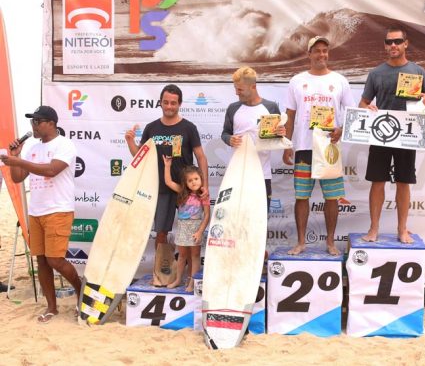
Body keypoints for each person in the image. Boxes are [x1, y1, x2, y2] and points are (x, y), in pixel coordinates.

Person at [0, 106, 82, 323]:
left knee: (55, 259)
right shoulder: (32, 147)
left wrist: (19, 161)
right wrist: (15, 157)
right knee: (42, 262)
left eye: (37, 121)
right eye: (32, 122)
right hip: (36, 211)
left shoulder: (64, 144)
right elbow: (18, 178)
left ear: (51, 123)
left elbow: (51, 170)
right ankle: (52, 307)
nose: (33, 126)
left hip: (58, 209)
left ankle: (81, 292)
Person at [359, 26, 425, 244]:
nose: (393, 45)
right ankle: (373, 229)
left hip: (408, 134)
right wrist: (367, 108)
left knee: (404, 182)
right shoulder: (375, 73)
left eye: (397, 41)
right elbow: (363, 103)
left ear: (405, 43)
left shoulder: (418, 71)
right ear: (385, 46)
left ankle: (402, 230)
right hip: (381, 133)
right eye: (389, 42)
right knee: (377, 181)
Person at [283, 36, 356, 256]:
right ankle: (301, 242)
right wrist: (287, 144)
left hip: (328, 148)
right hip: (304, 147)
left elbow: (351, 112)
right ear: (309, 53)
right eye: (317, 51)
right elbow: (290, 114)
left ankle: (331, 242)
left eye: (325, 50)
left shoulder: (340, 80)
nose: (321, 55)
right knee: (301, 196)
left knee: (331, 197)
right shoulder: (296, 80)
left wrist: (341, 130)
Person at [125, 84, 209, 249]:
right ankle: (161, 273)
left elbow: (201, 156)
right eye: (166, 102)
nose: (169, 106)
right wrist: (130, 141)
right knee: (161, 232)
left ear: (179, 104)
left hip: (188, 188)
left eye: (173, 103)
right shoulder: (151, 128)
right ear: (160, 103)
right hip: (162, 188)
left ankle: (190, 273)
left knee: (192, 228)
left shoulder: (189, 128)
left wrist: (204, 185)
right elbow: (139, 156)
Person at [221, 66, 285, 210]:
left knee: (260, 221)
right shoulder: (233, 108)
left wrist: (281, 132)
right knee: (237, 219)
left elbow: (278, 139)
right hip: (238, 174)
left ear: (253, 86)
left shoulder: (271, 107)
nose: (236, 93)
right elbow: (225, 133)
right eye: (235, 89)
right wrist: (229, 139)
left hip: (262, 175)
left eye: (240, 90)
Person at [162, 158, 209, 292]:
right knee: (182, 255)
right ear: (185, 183)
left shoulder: (204, 195)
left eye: (196, 179)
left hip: (196, 227)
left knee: (194, 256)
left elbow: (207, 215)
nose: (194, 182)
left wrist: (200, 232)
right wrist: (167, 165)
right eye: (190, 180)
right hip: (182, 226)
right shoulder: (182, 192)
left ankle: (192, 283)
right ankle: (178, 280)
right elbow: (168, 182)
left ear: (201, 179)